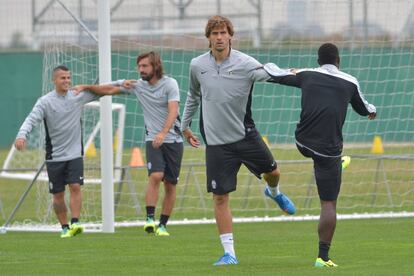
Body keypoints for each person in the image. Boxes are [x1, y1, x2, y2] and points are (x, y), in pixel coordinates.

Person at [181, 15, 296, 266]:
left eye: (223, 33)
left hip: (245, 136)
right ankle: (229, 253)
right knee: (220, 197)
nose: (219, 38)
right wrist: (184, 126)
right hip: (217, 144)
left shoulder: (246, 63)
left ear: (230, 35)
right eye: (215, 34)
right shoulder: (197, 65)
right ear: (208, 38)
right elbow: (192, 95)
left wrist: (300, 76)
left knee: (274, 172)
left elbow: (272, 74)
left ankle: (273, 192)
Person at [264, 43, 377, 267]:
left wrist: (261, 68)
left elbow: (274, 73)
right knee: (328, 204)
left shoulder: (307, 74)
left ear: (318, 61)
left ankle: (336, 166)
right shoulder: (350, 81)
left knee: (325, 161)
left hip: (302, 142)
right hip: (327, 152)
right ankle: (322, 258)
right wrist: (373, 111)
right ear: (338, 60)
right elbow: (365, 109)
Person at [73, 51, 183, 237]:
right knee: (156, 176)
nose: (140, 70)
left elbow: (174, 111)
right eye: (139, 67)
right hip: (153, 140)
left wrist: (164, 133)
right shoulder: (136, 86)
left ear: (155, 66)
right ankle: (149, 219)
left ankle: (162, 225)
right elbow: (107, 89)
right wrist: (85, 87)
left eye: (144, 66)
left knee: (171, 185)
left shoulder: (170, 84)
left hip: (174, 140)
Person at [15, 65, 101, 238]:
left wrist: (122, 84)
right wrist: (21, 135)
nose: (67, 81)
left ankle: (75, 222)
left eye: (69, 77)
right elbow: (31, 119)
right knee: (58, 194)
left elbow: (103, 91)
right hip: (55, 157)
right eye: (63, 78)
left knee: (76, 186)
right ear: (54, 80)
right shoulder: (45, 102)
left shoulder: (77, 96)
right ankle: (64, 227)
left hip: (75, 154)